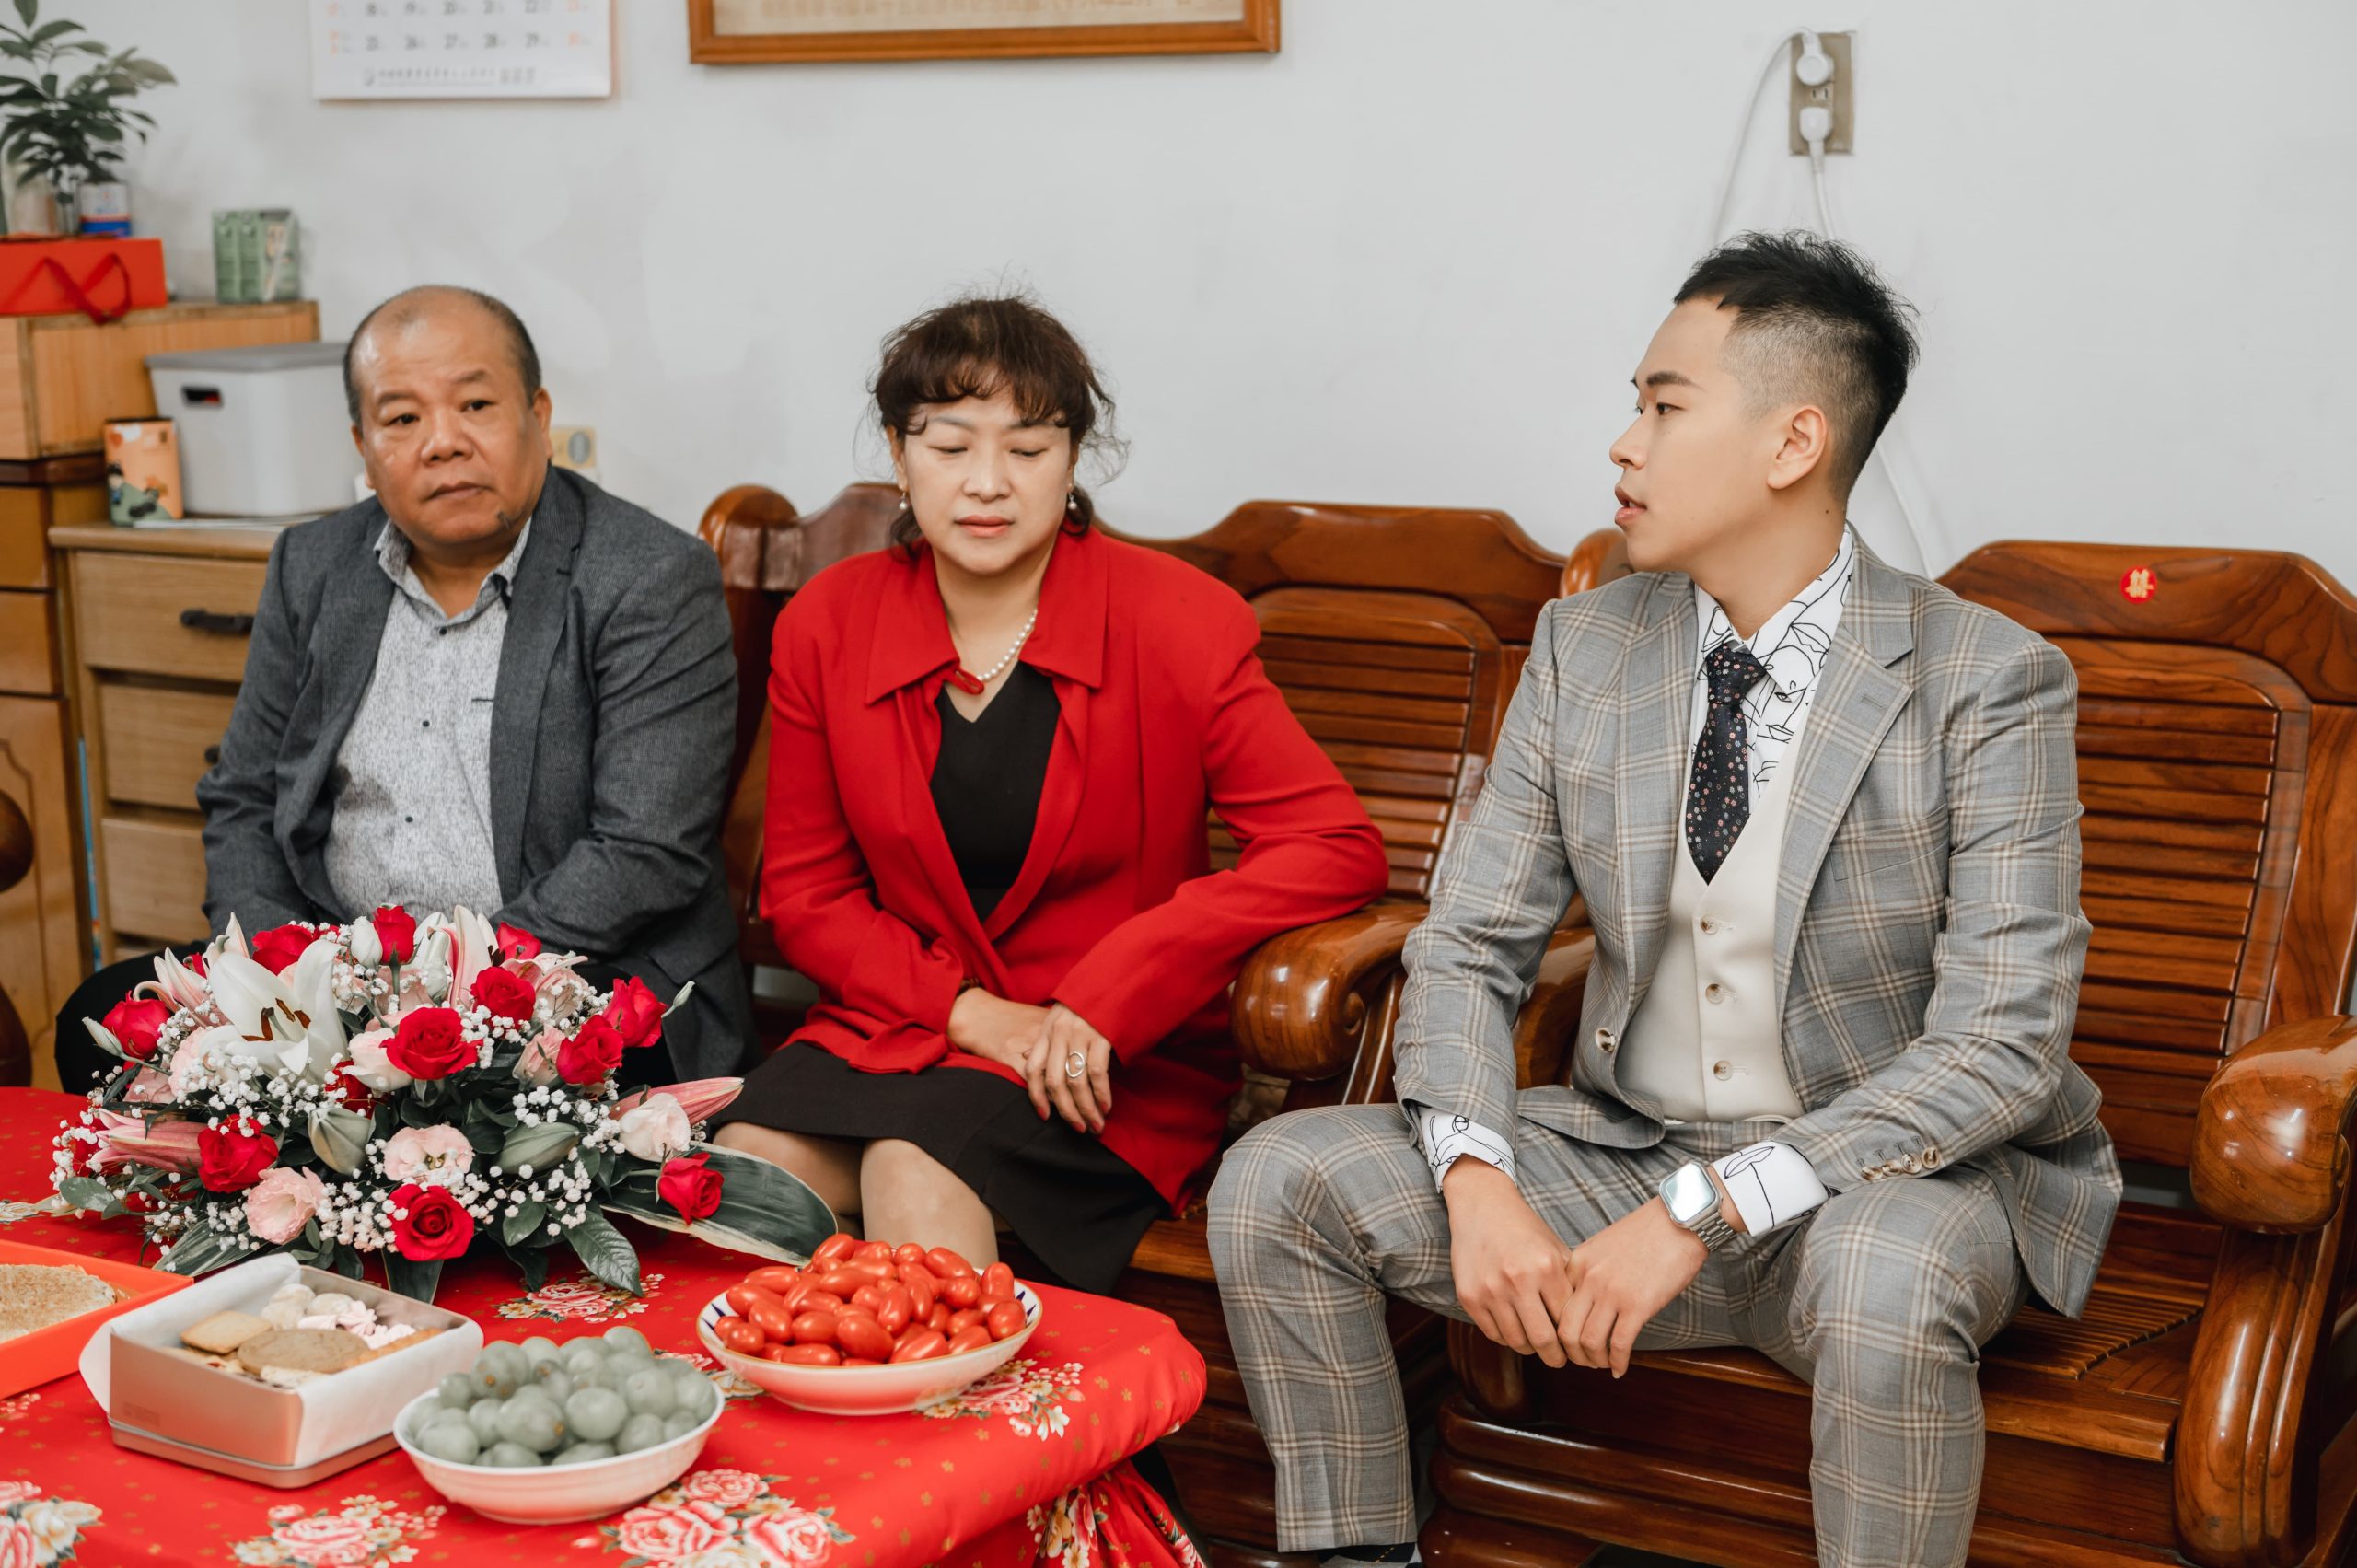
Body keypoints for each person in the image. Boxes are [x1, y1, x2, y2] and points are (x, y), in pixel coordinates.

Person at [1208, 232, 2121, 1568]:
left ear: (1793, 441)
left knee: (1889, 1275)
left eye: (1664, 404)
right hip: (1618, 1157)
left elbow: (2003, 1043)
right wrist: (1477, 1175)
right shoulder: (1584, 646)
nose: (1623, 443)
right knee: (1278, 1180)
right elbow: (1469, 947)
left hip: (1877, 1191)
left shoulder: (1987, 676)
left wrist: (1707, 1207)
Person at [712, 295, 1390, 1293]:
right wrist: (967, 1013)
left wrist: (1115, 988)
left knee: (913, 1163)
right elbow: (807, 896)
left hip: (1106, 1060)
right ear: (899, 455)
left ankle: (997, 1403)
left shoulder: (1177, 620)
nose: (987, 482)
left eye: (1027, 449)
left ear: (1073, 458)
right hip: (903, 1028)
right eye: (949, 446)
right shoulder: (828, 622)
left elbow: (1332, 844)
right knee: (741, 1169)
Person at [55, 285, 751, 1088]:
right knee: (99, 1025)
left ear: (538, 413)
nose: (443, 442)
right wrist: (285, 978)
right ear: (363, 444)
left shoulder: (647, 575)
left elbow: (643, 853)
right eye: (402, 418)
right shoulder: (314, 565)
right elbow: (245, 797)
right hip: (335, 976)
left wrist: (437, 993)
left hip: (566, 974)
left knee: (448, 1112)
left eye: (476, 404)